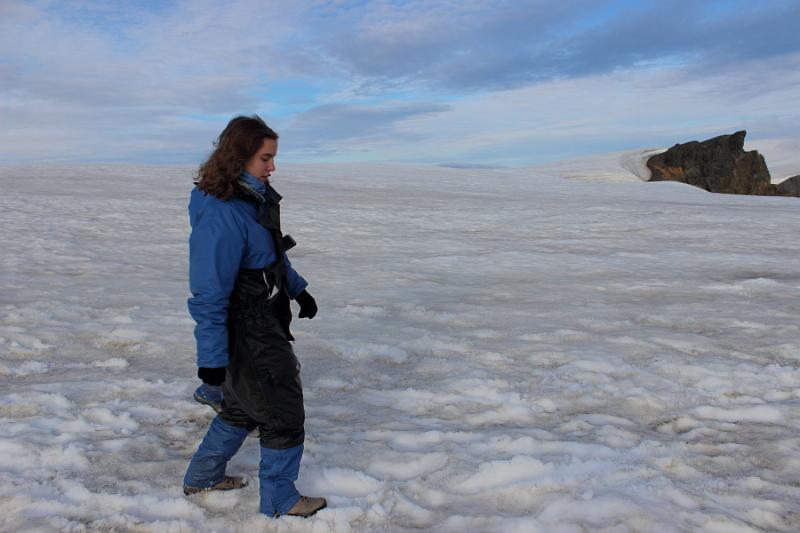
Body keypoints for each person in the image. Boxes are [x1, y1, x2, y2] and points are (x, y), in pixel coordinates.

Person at [182, 115, 326, 518]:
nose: (272, 167)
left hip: (263, 316)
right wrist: (211, 360)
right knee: (281, 412)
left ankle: (203, 476)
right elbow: (209, 293)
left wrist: (298, 289)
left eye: (273, 158)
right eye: (265, 158)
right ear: (239, 157)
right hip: (247, 328)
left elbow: (270, 255)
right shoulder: (222, 215)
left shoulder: (251, 200)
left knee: (245, 405)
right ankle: (280, 500)